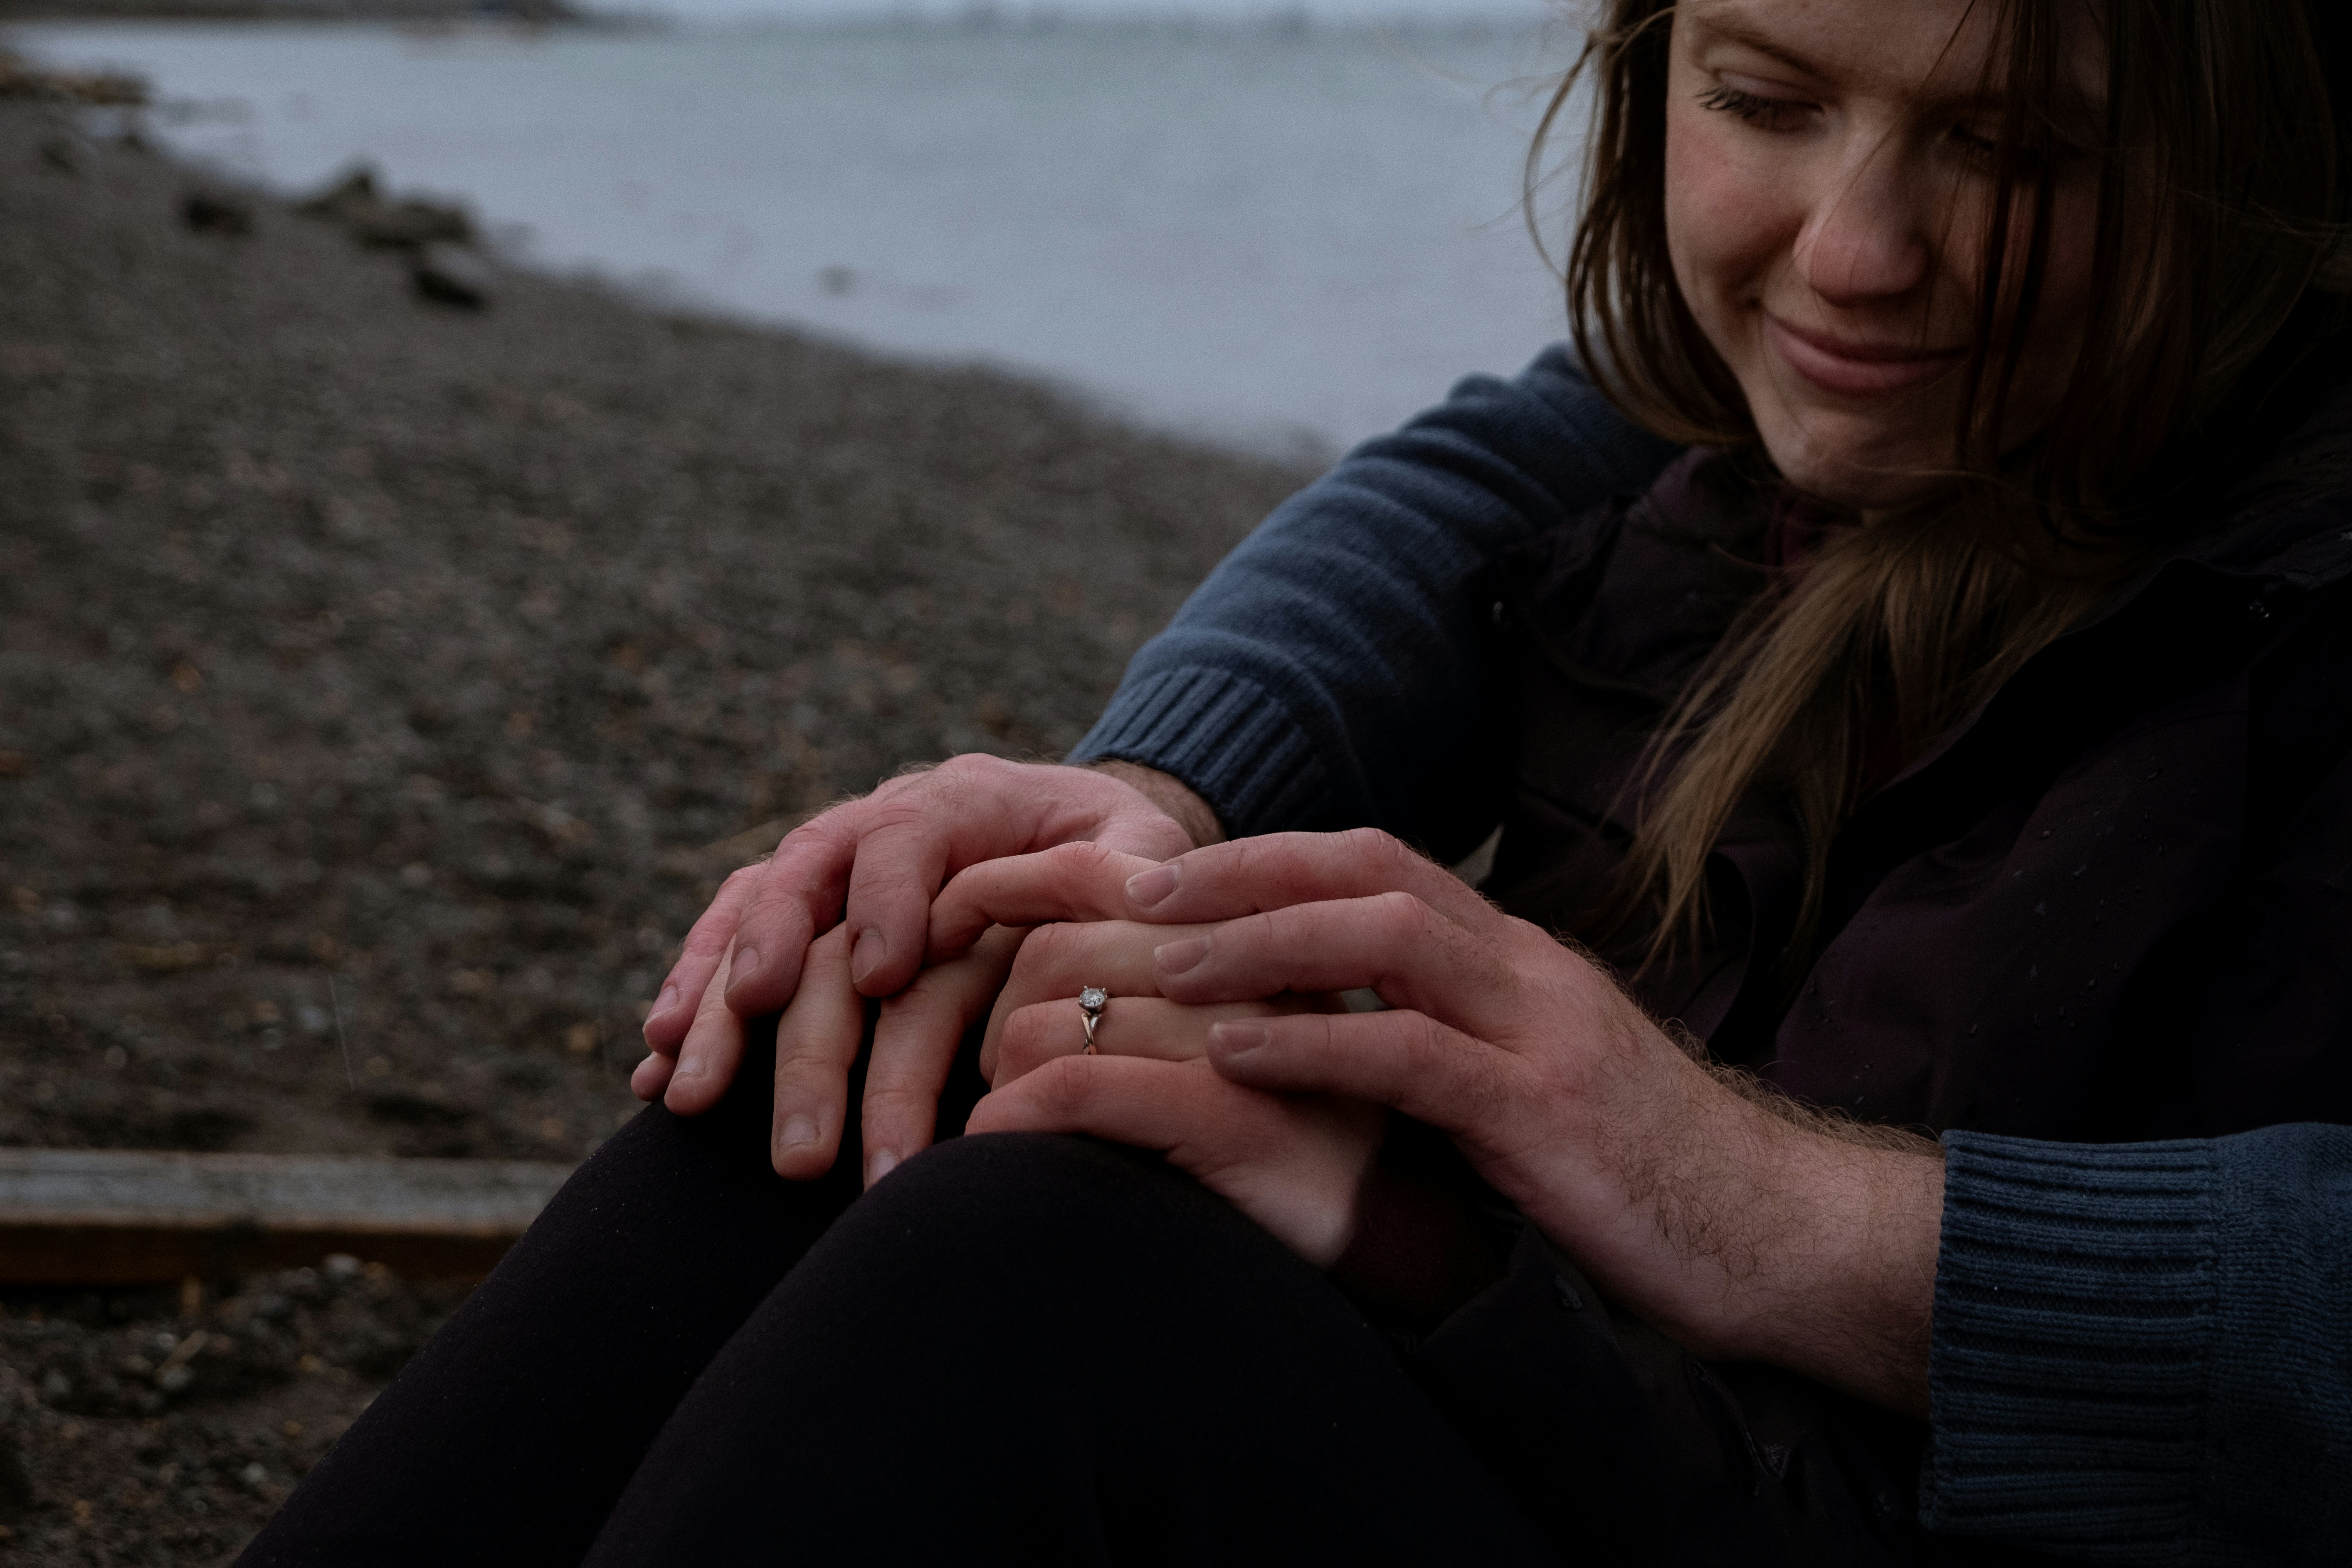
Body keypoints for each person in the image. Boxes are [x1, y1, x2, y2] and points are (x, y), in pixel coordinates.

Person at [242, 0, 2352, 1562]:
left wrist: (1747, 1194)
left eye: (2021, 152)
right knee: (905, 1035)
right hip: (1673, 1433)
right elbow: (1542, 443)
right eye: (1762, 100)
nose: (1852, 254)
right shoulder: (1806, 442)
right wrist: (1148, 812)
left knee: (1036, 1271)